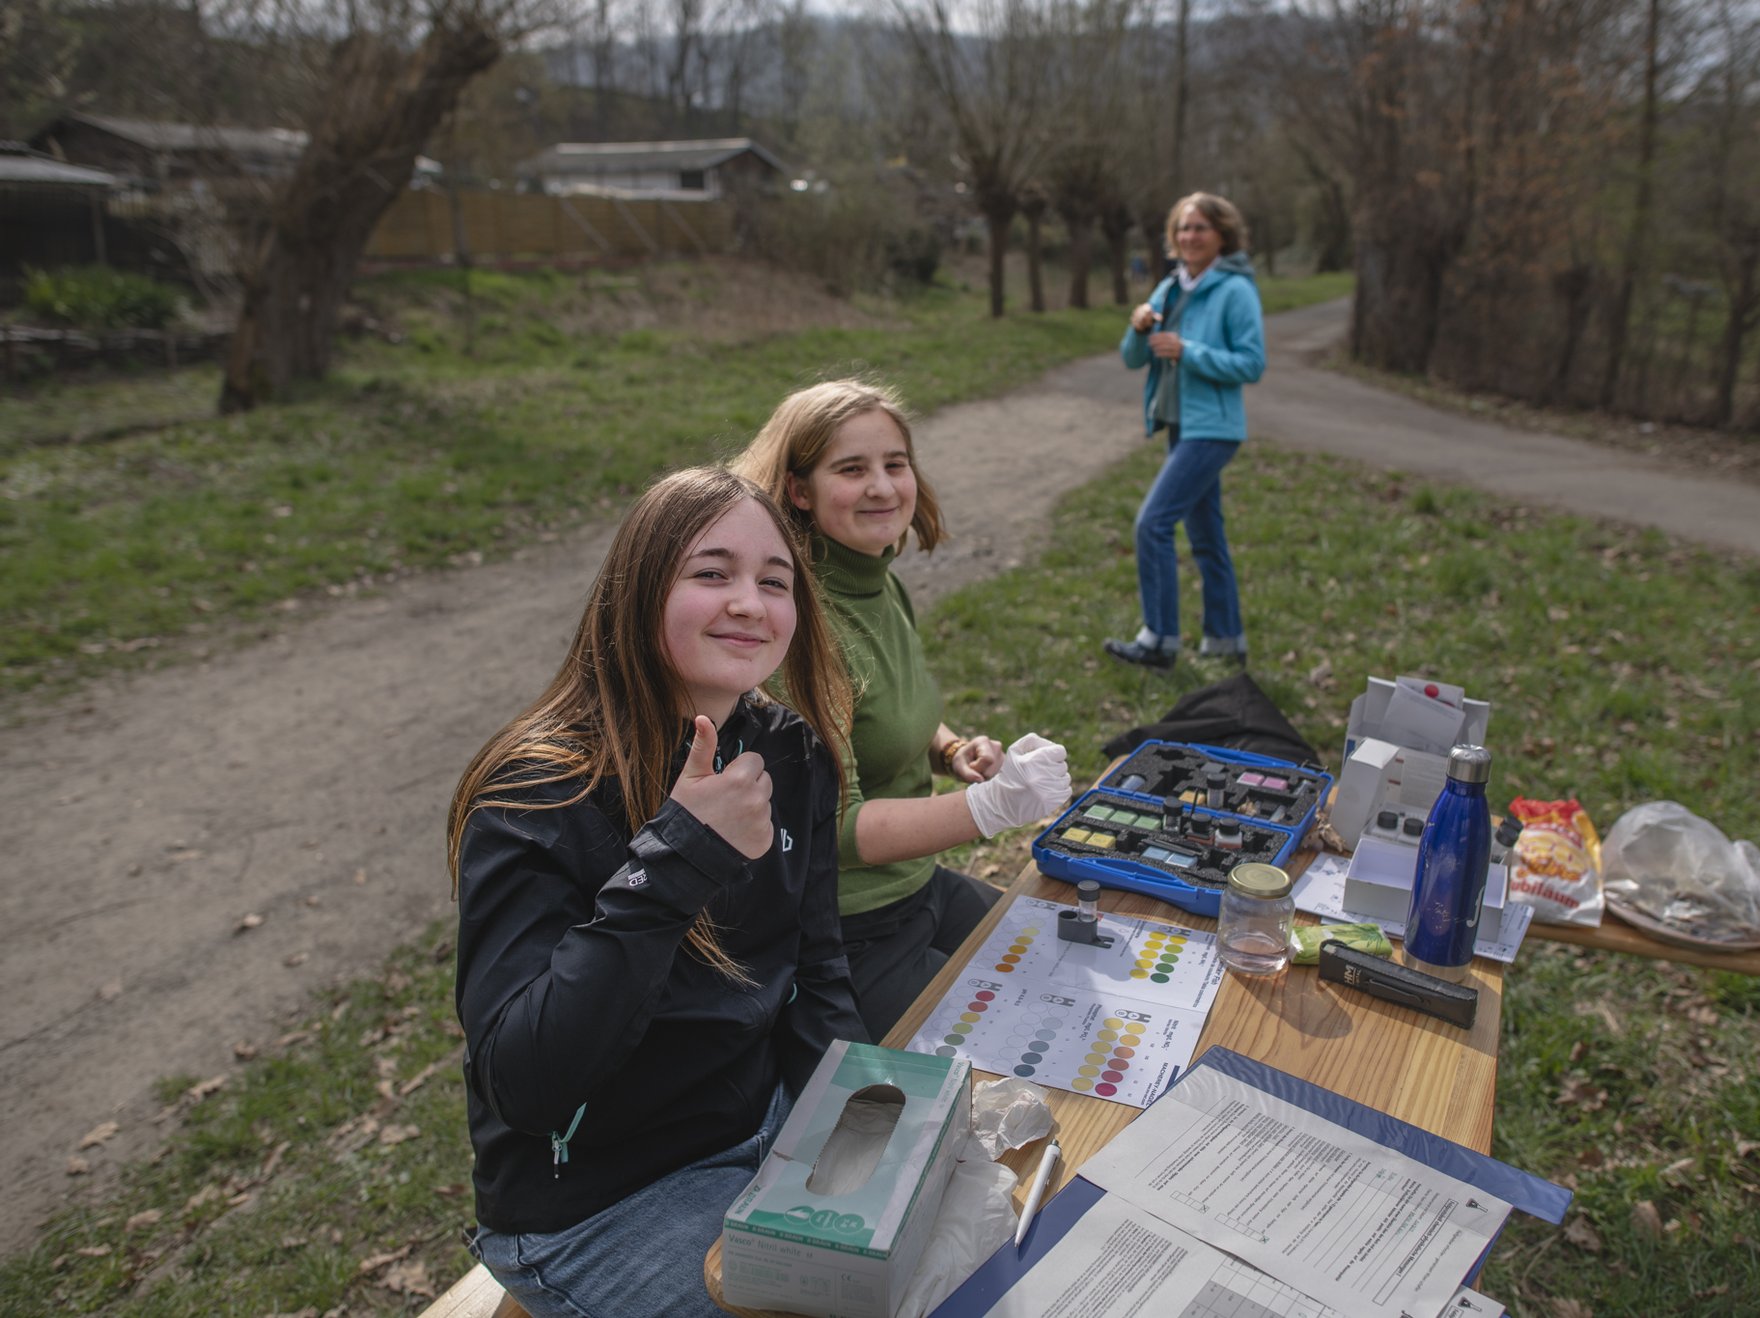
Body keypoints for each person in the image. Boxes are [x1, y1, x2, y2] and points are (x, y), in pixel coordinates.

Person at [449, 467, 865, 1318]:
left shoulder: (792, 754)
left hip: (766, 1121)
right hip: (604, 1198)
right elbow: (524, 1084)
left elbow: (816, 965)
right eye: (711, 574)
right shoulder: (536, 794)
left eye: (774, 581)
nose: (749, 603)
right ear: (638, 593)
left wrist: (863, 1111)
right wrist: (677, 856)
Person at [733, 380, 1073, 1039]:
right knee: (1017, 1051)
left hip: (921, 885)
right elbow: (829, 828)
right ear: (798, 490)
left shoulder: (873, 577)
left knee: (1065, 974)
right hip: (850, 926)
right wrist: (990, 810)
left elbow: (883, 715)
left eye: (894, 463)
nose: (883, 488)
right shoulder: (803, 630)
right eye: (851, 469)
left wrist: (949, 750)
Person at [1105, 191, 1267, 670]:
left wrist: (1189, 351)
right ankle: (1225, 639)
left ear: (1222, 235)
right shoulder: (1170, 288)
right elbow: (1132, 357)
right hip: (1179, 424)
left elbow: (1252, 363)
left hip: (1213, 428)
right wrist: (1137, 328)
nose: (1190, 236)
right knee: (1206, 537)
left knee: (1152, 523)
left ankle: (1159, 641)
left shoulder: (1236, 290)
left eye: (1200, 228)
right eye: (1183, 228)